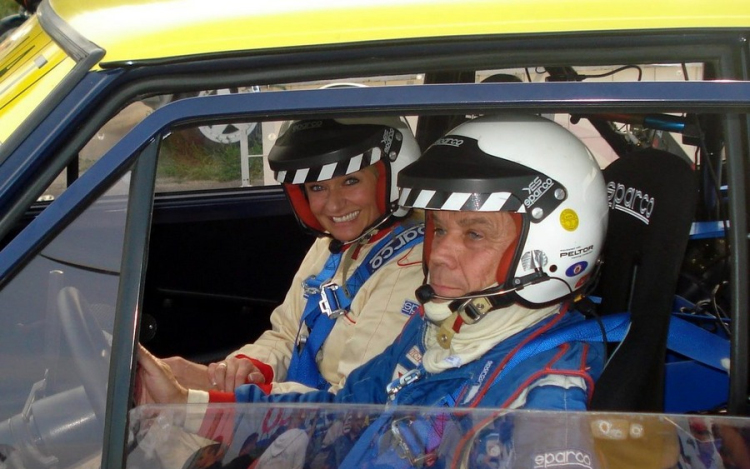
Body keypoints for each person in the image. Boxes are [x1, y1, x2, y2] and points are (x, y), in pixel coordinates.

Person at [136, 114, 609, 467]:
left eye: (474, 234)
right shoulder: (438, 327)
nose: (439, 256)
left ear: (549, 247)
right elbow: (345, 412)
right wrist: (187, 404)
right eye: (439, 229)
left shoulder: (546, 405)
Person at [161, 117, 425, 396]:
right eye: (317, 187)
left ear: (390, 181)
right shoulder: (333, 244)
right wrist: (246, 368)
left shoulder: (410, 267)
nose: (334, 205)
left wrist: (215, 396)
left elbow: (352, 404)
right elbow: (288, 333)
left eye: (350, 181)